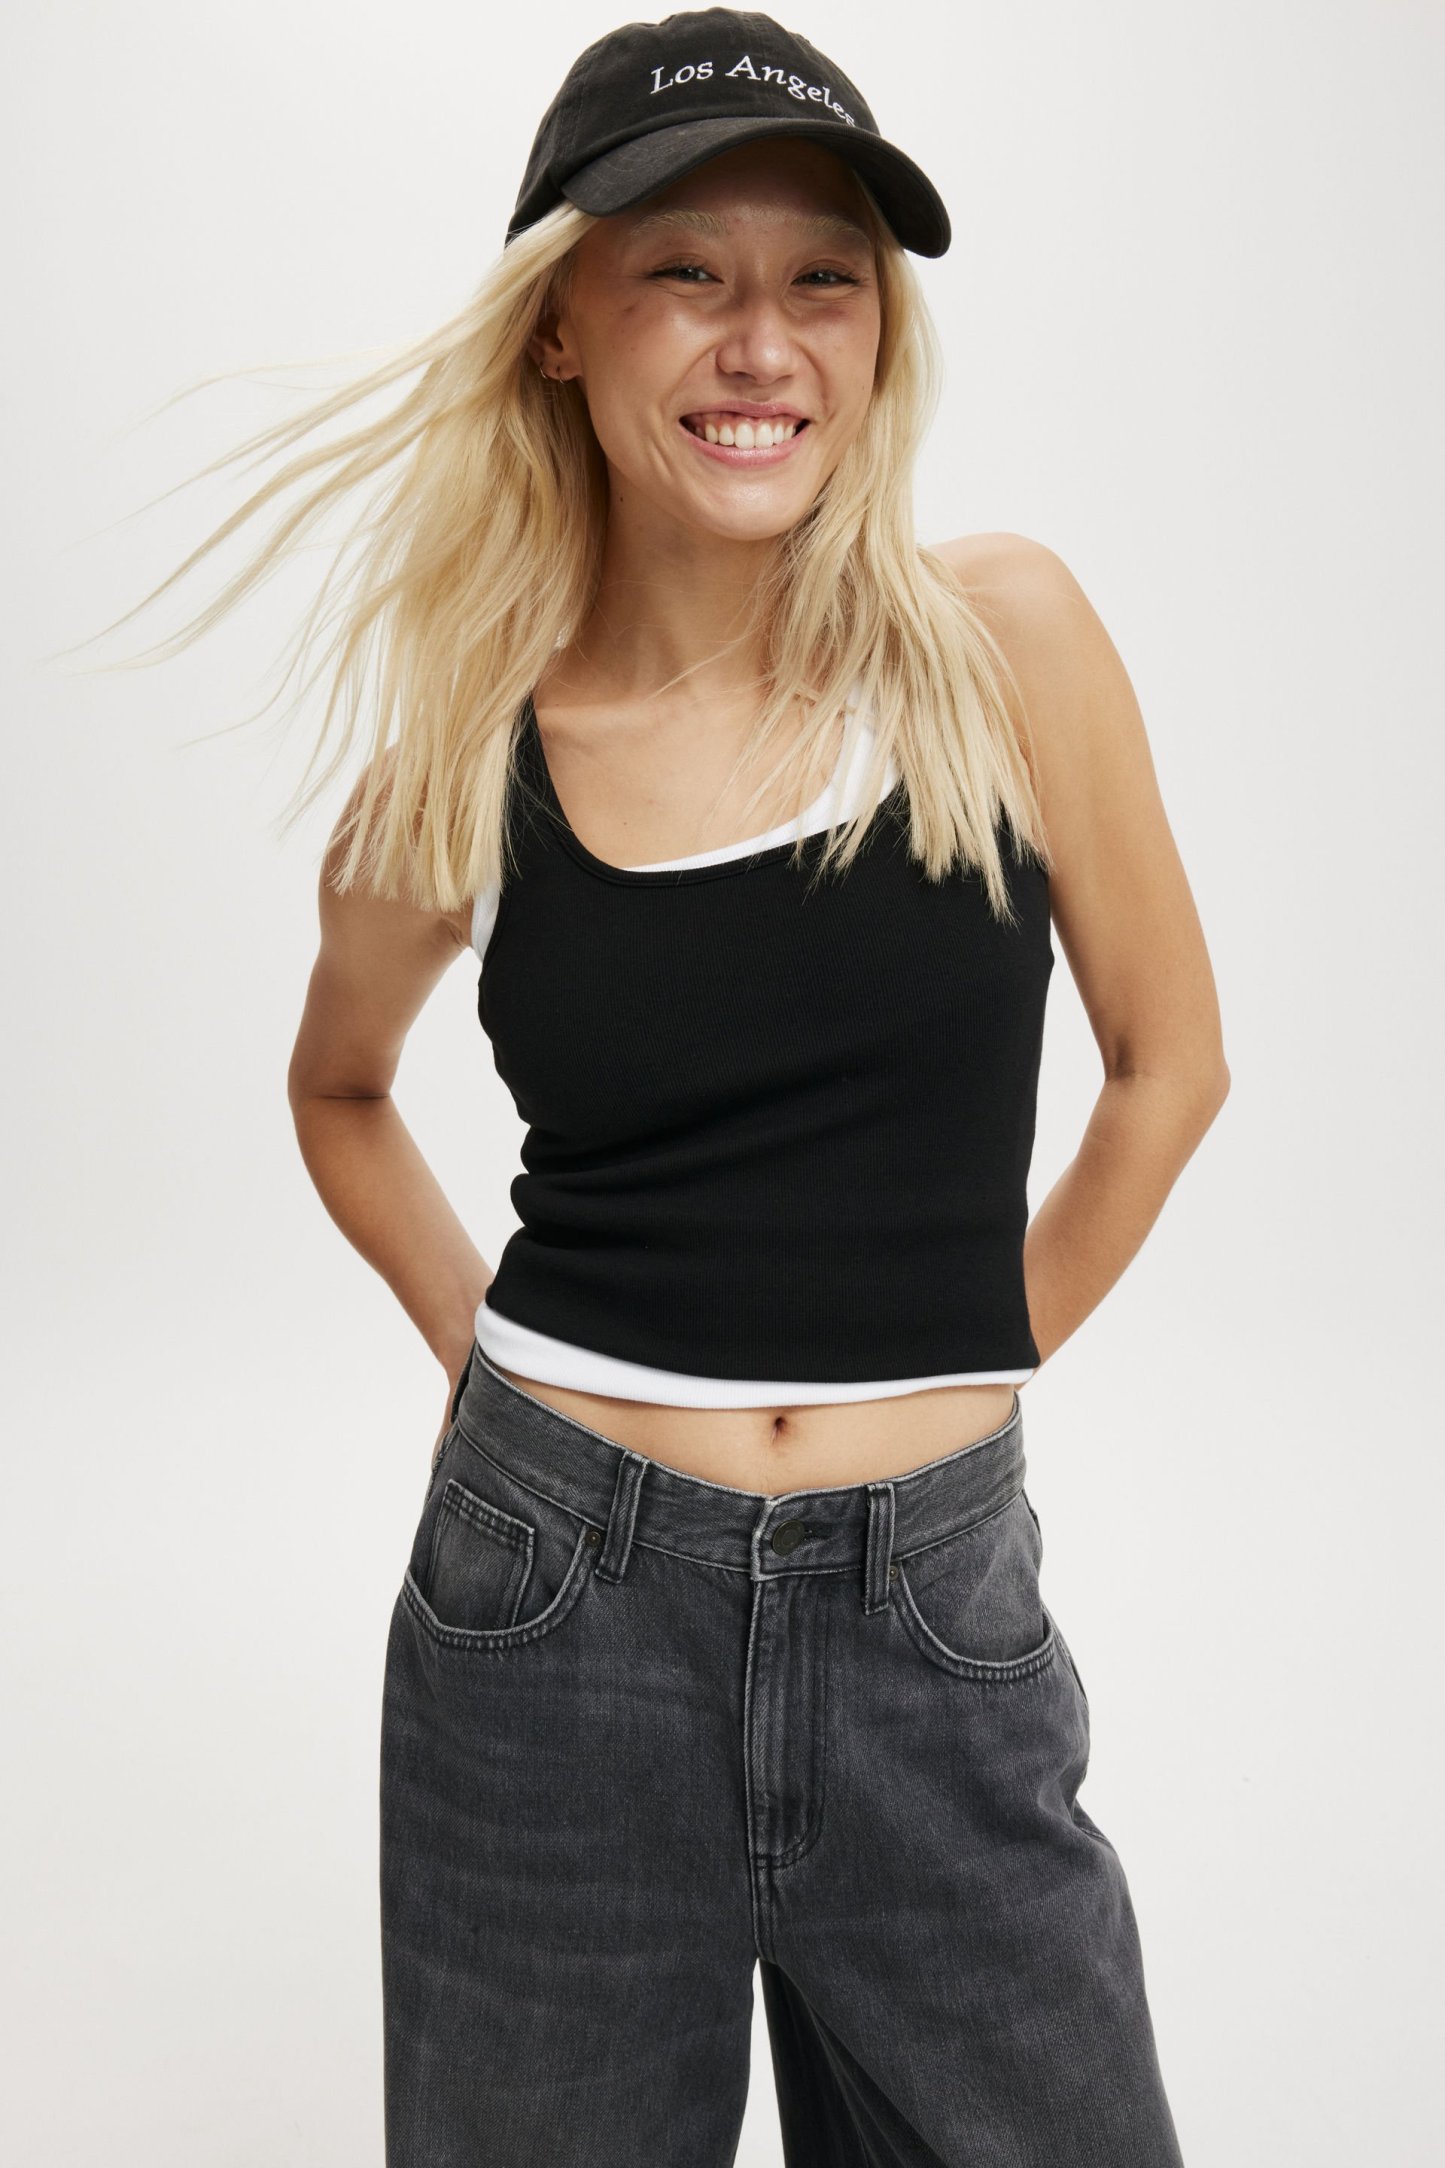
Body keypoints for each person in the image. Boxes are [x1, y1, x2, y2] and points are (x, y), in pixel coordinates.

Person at [160, 10, 1225, 2159]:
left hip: (937, 1613)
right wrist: (482, 1368)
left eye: (822, 277)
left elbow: (1168, 1068)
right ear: (562, 325)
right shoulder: (469, 752)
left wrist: (967, 1370)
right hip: (553, 1622)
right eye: (685, 272)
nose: (762, 342)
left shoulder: (1001, 642)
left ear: (881, 331)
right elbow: (339, 1091)